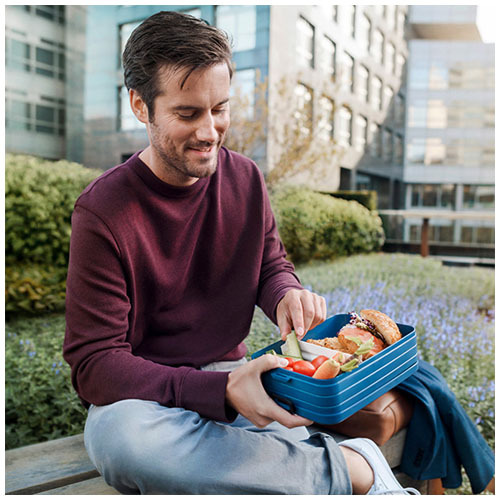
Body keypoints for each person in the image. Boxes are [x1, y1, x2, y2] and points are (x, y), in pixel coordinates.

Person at [63, 11, 419, 495]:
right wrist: (216, 393)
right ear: (141, 106)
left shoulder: (246, 179)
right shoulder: (102, 211)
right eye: (188, 114)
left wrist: (286, 295)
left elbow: (271, 266)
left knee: (230, 436)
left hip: (232, 376)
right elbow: (94, 365)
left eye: (220, 108)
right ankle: (359, 470)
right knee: (125, 444)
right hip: (141, 397)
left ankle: (289, 464)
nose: (210, 131)